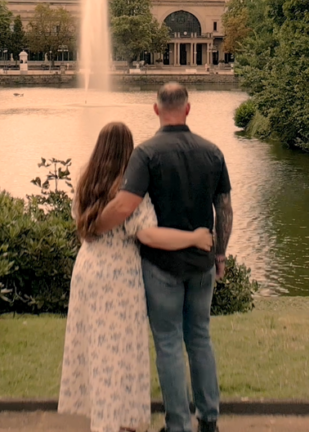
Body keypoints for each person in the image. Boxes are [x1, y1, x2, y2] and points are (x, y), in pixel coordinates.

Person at [93, 83, 233, 432]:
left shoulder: (146, 154)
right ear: (188, 109)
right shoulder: (213, 152)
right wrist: (220, 255)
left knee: (169, 343)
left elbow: (125, 205)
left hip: (160, 265)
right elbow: (224, 209)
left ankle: (178, 425)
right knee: (200, 338)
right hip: (201, 262)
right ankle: (209, 419)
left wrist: (92, 226)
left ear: (156, 109)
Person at [58, 121, 213, 432]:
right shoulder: (130, 193)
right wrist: (194, 238)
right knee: (120, 351)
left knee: (97, 347)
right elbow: (150, 236)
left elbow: (82, 226)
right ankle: (117, 421)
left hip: (88, 269)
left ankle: (106, 418)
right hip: (119, 278)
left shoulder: (85, 184)